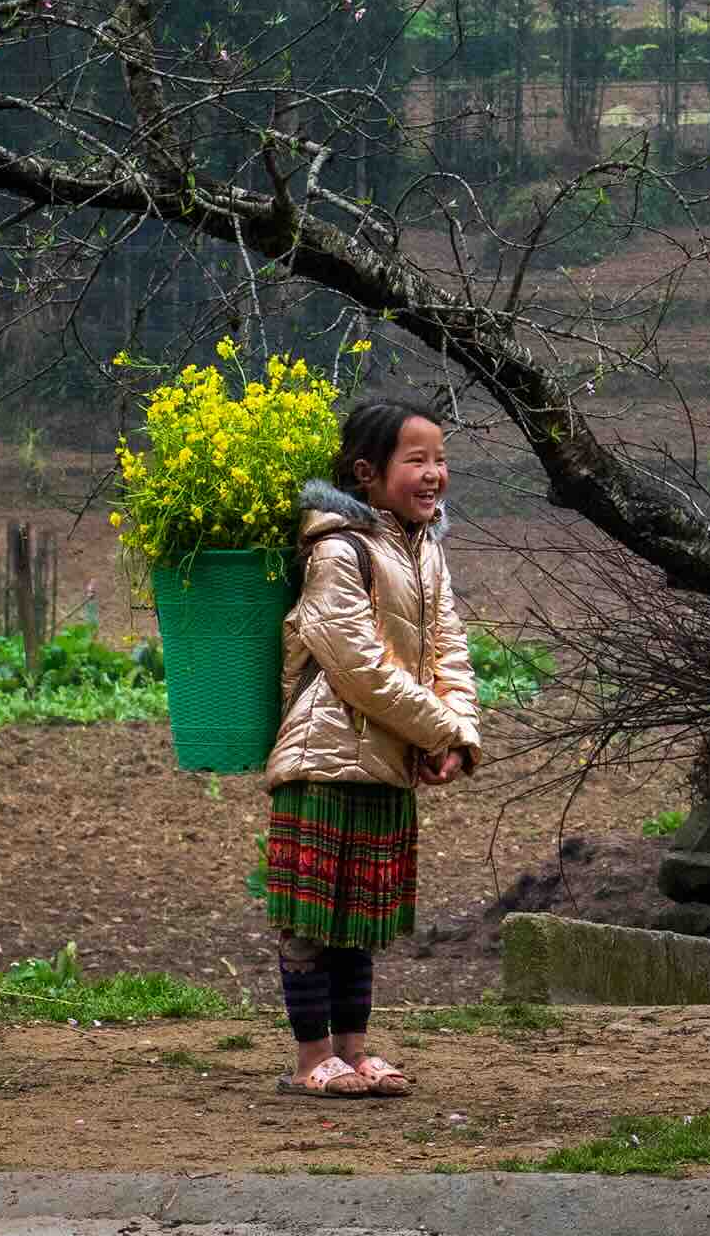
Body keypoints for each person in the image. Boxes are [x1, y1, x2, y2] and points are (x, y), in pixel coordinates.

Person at [257, 400, 480, 1099]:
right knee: (311, 919)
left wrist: (459, 734)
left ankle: (352, 1054)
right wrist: (437, 729)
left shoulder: (426, 552)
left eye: (440, 459)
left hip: (387, 761)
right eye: (416, 460)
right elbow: (358, 667)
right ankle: (309, 1059)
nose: (434, 473)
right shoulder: (336, 549)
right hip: (323, 757)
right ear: (366, 472)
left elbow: (451, 652)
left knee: (358, 921)